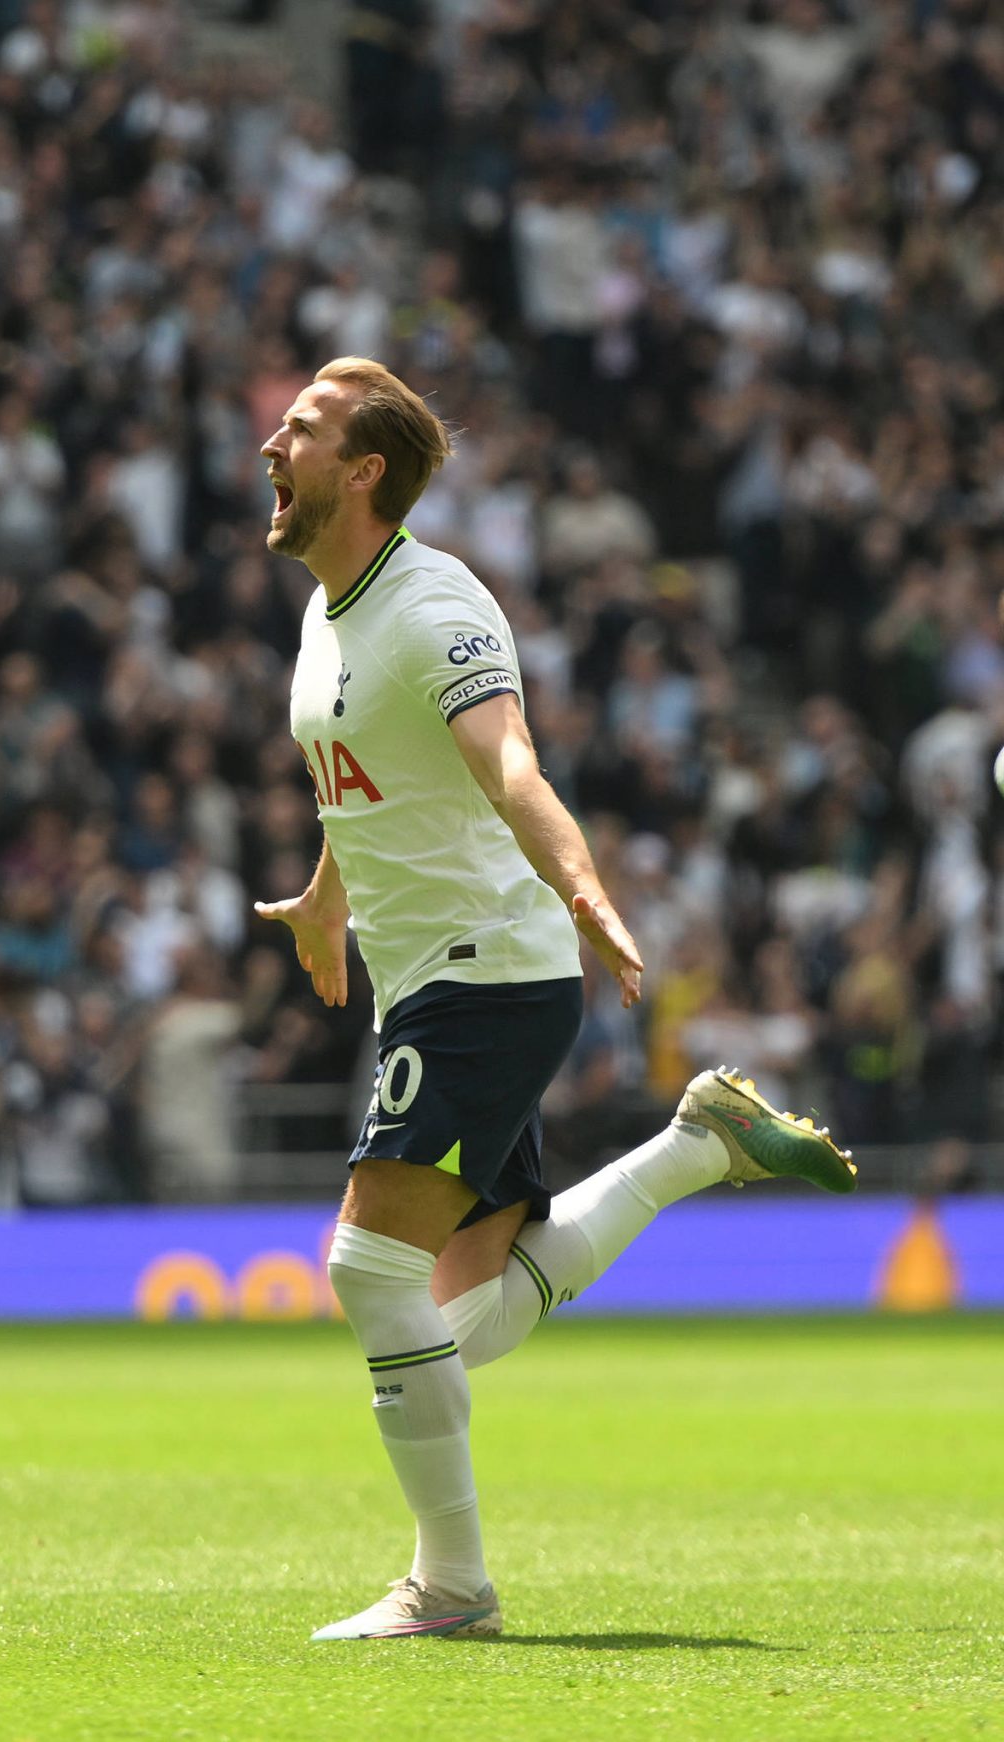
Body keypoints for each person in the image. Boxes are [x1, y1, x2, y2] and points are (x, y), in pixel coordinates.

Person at [251, 357, 856, 1643]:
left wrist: (581, 882)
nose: (270, 440)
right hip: (433, 976)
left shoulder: (433, 604)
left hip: (488, 969)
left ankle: (452, 1585)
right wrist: (324, 892)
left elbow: (506, 759)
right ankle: (694, 1145)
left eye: (299, 427)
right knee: (466, 1314)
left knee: (368, 1268)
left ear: (362, 471)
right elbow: (361, 776)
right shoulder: (325, 609)